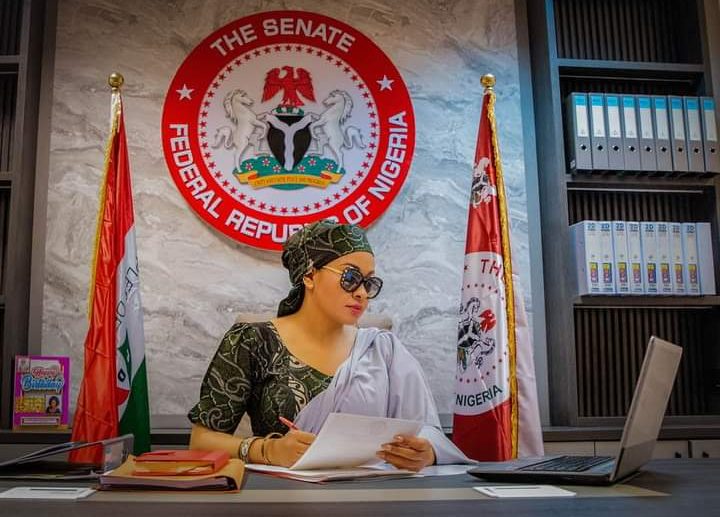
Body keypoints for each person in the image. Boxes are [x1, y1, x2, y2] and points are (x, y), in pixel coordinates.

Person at [188, 220, 469, 470]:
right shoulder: (253, 341)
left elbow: (426, 432)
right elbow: (201, 441)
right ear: (309, 275)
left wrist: (425, 453)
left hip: (373, 495)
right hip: (280, 495)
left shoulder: (383, 350)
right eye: (350, 278)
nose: (361, 293)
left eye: (369, 283)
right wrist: (267, 450)